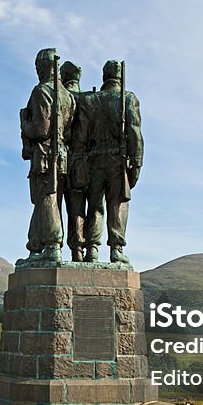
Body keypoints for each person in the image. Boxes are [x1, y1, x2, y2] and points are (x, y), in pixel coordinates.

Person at [75, 60, 142, 264]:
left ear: (104, 76)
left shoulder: (90, 101)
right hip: (118, 161)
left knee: (94, 206)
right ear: (120, 76)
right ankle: (116, 248)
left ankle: (92, 249)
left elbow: (81, 136)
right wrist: (137, 161)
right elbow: (135, 132)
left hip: (94, 160)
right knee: (117, 204)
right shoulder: (127, 98)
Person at [19, 48, 75, 264]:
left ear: (43, 67)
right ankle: (35, 247)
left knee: (47, 199)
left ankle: (53, 245)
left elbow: (41, 129)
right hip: (61, 155)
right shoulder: (68, 96)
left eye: (37, 67)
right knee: (45, 200)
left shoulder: (42, 91)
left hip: (44, 155)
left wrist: (25, 124)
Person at [60, 60, 91, 262]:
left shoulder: (61, 97)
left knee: (61, 205)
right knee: (89, 206)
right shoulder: (91, 100)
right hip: (88, 161)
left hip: (63, 159)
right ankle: (85, 249)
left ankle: (69, 249)